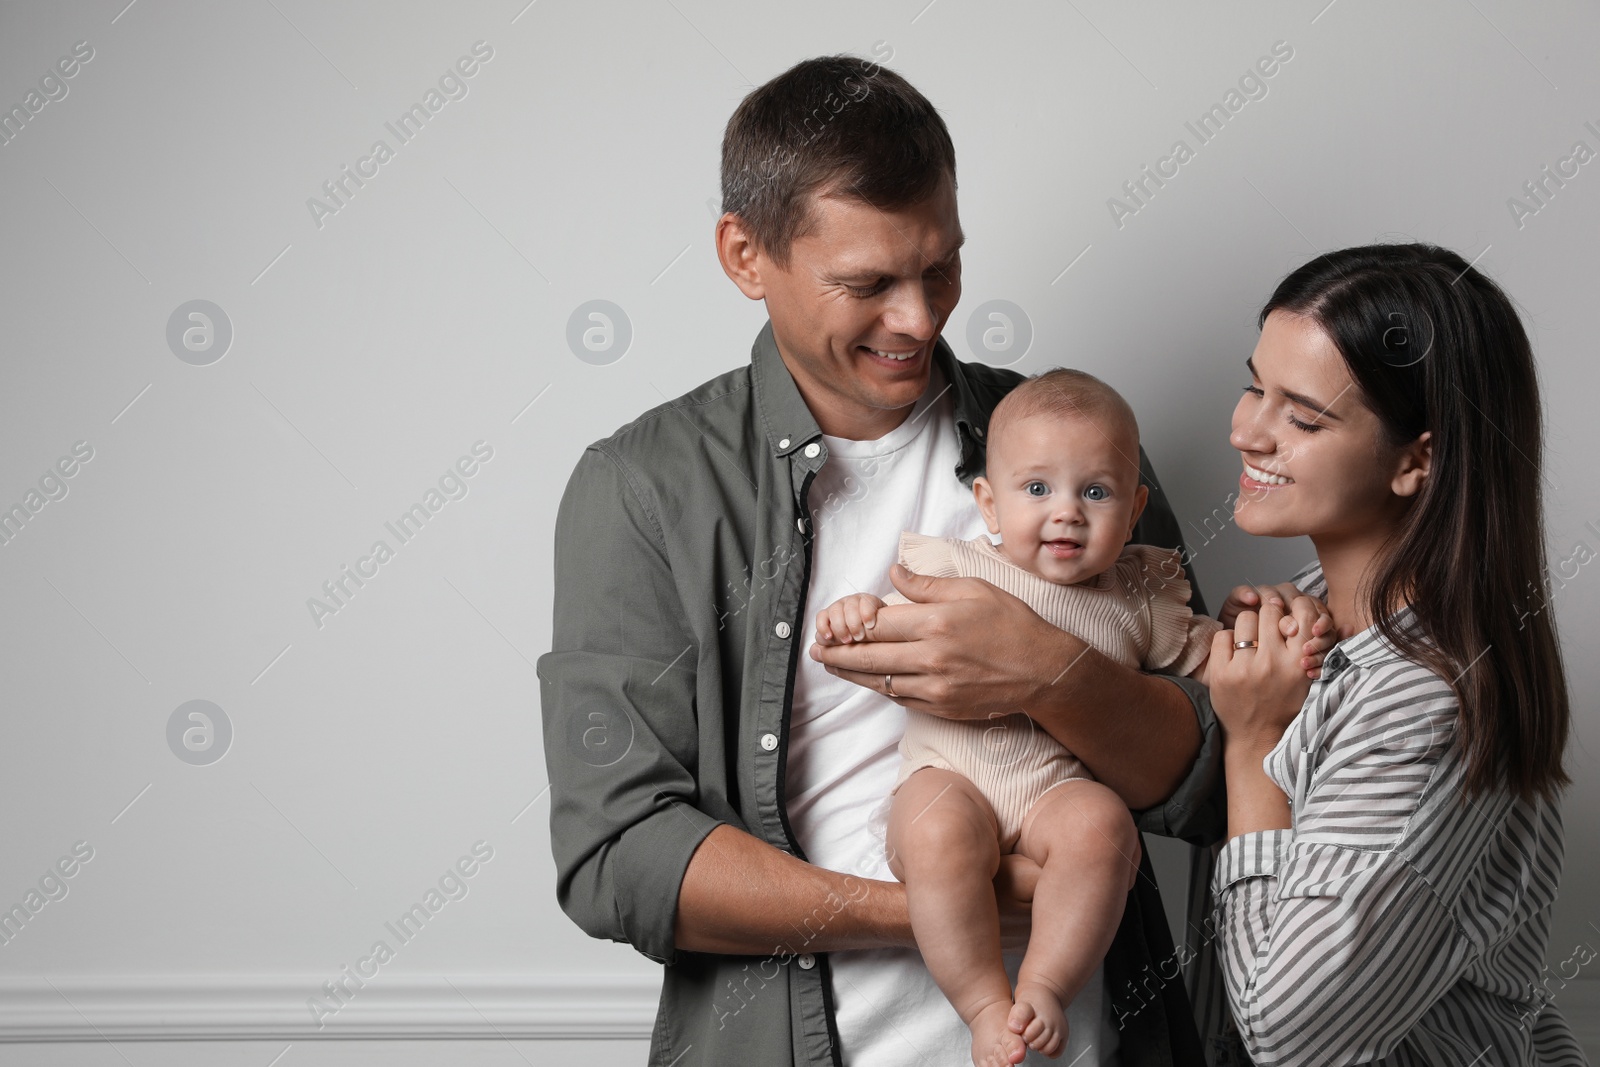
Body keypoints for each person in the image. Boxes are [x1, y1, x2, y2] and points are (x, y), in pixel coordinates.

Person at [538, 55, 1223, 1066]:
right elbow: (617, 855)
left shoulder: (1066, 446)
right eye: (867, 283)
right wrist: (943, 911)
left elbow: (1216, 777)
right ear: (744, 255)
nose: (918, 318)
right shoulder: (643, 489)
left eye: (939, 267)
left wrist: (1046, 669)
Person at [1205, 243, 1586, 1065]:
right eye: (1253, 385)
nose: (1246, 431)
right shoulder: (1316, 617)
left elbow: (1288, 1033)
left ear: (1418, 458)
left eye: (1301, 417)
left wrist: (1255, 745)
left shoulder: (1424, 697)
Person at [813, 368, 1262, 1065]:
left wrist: (1255, 628)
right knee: (936, 835)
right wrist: (857, 618)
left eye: (1096, 491)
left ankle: (1045, 984)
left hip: (1056, 790)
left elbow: (1212, 669)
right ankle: (985, 1003)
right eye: (1036, 489)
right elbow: (891, 634)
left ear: (1135, 505)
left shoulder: (1143, 591)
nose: (1067, 512)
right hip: (950, 775)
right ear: (988, 505)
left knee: (1103, 826)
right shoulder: (955, 570)